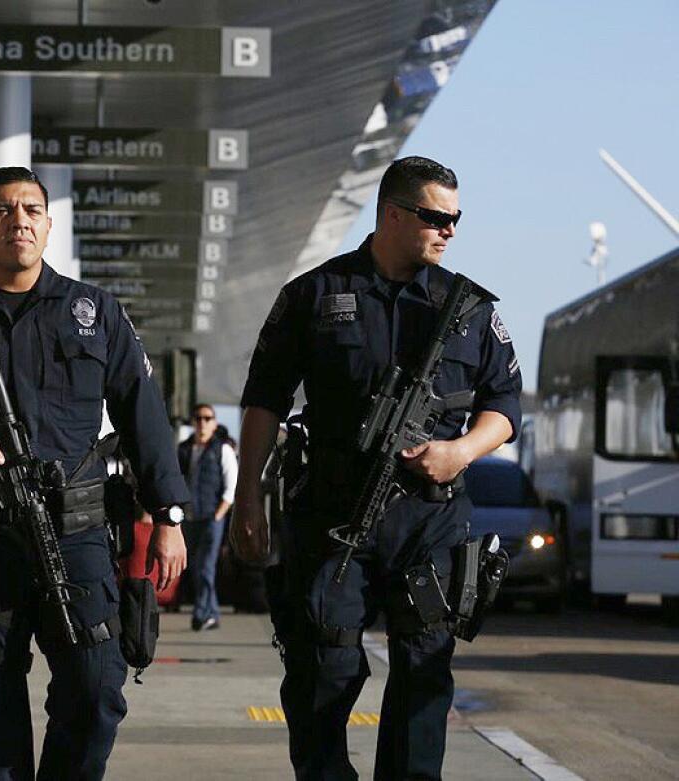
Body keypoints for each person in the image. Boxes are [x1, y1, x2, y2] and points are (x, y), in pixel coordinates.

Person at [0, 166, 189, 780]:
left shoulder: (94, 313)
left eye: (30, 210)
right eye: (2, 211)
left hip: (77, 534)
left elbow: (143, 415)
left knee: (97, 691)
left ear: (48, 225)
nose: (17, 220)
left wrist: (169, 515)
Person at [231, 156, 521, 780]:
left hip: (430, 518)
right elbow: (263, 401)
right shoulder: (313, 295)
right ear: (392, 214)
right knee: (321, 671)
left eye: (456, 219)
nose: (448, 230)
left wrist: (460, 452)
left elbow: (505, 407)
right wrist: (248, 499)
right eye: (434, 217)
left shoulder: (468, 308)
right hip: (335, 515)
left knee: (422, 672)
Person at [177, 403, 238, 631]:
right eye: (198, 418)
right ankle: (212, 613)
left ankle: (200, 615)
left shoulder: (222, 449)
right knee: (196, 568)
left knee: (206, 567)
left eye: (207, 418)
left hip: (212, 517)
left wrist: (218, 516)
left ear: (214, 422)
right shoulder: (184, 449)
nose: (202, 422)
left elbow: (231, 488)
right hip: (189, 518)